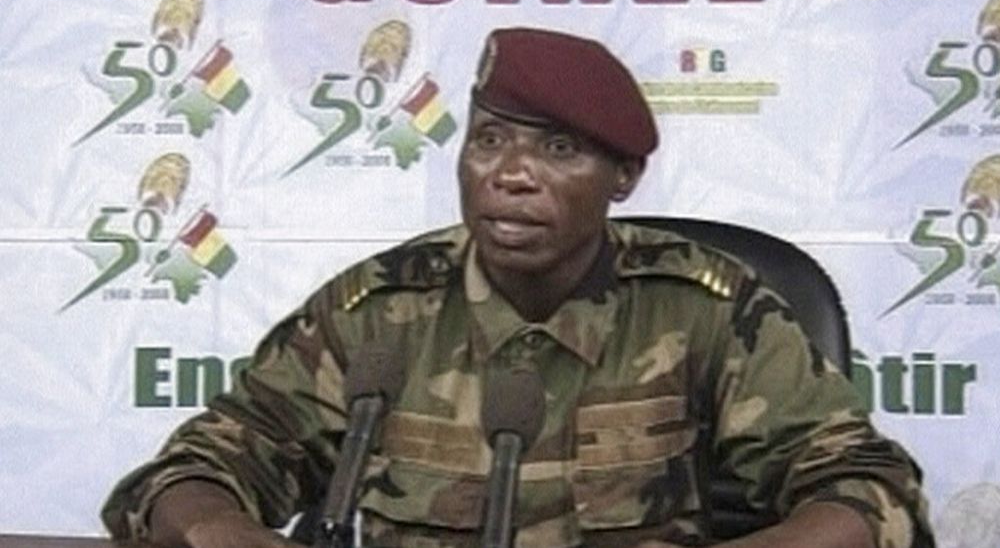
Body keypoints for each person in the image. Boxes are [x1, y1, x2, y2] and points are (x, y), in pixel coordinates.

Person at [102, 27, 934, 548]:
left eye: (559, 150)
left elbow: (870, 489)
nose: (511, 175)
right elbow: (194, 469)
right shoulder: (378, 314)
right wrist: (220, 528)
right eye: (490, 140)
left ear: (623, 176)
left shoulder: (708, 310)